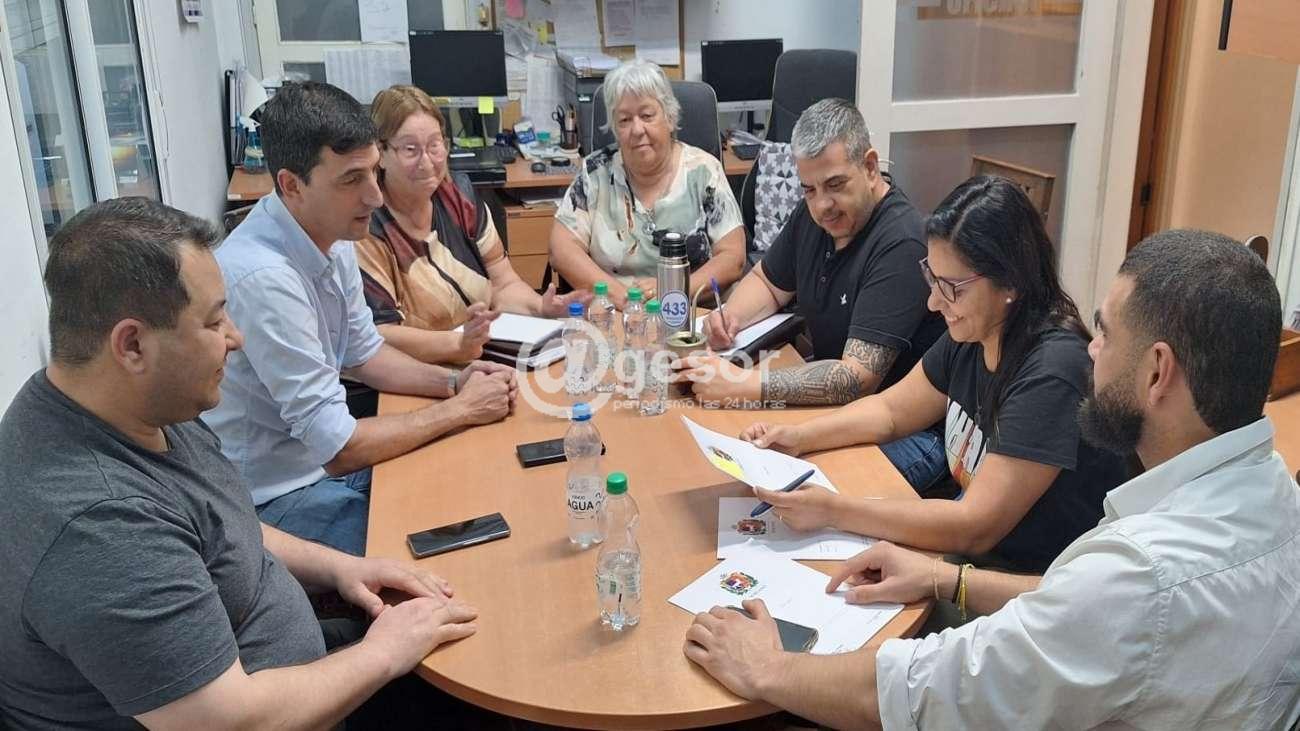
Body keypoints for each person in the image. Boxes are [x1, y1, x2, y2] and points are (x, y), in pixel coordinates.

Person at [684, 229, 1300, 730]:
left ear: (1157, 371)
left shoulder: (1140, 576)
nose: (1093, 351)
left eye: (1107, 333)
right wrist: (945, 578)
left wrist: (769, 668)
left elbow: (922, 693)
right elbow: (1073, 604)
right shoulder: (1278, 494)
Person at [0, 198, 479, 730]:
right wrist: (385, 653)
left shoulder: (130, 401)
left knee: (469, 641)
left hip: (286, 664)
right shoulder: (100, 526)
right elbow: (229, 722)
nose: (235, 337)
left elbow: (222, 523)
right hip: (260, 714)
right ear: (132, 345)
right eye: (213, 321)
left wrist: (342, 568)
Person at [738, 177, 1127, 573]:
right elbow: (891, 411)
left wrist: (833, 510)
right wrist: (799, 436)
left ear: (1010, 280)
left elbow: (975, 526)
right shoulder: (977, 330)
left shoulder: (1052, 372)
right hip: (974, 559)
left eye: (952, 287)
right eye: (932, 278)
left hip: (1025, 580)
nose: (933, 302)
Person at [206, 81, 517, 556]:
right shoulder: (264, 278)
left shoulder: (332, 234)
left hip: (320, 469)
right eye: (352, 179)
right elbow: (340, 447)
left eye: (374, 171)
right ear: (291, 185)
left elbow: (364, 352)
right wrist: (462, 409)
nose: (374, 196)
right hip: (275, 501)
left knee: (474, 477)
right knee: (449, 539)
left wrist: (455, 383)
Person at [675, 100, 944, 457]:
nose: (821, 206)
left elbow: (855, 379)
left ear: (870, 167)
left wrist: (741, 383)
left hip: (904, 429)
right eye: (809, 189)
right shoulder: (815, 215)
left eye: (835, 184)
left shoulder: (902, 241)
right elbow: (769, 282)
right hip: (839, 410)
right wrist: (732, 316)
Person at [358, 85, 590, 365]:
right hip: (414, 372)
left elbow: (503, 284)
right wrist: (457, 344)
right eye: (410, 149)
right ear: (380, 153)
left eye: (435, 145)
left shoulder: (459, 197)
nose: (427, 162)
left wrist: (541, 307)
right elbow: (380, 334)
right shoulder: (366, 226)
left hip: (480, 357)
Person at [549, 59, 745, 309]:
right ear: (614, 128)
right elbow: (561, 248)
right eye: (624, 120)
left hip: (693, 314)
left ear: (669, 118)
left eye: (646, 115)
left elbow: (733, 257)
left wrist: (672, 290)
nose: (637, 129)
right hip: (614, 314)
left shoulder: (704, 171)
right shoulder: (595, 172)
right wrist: (621, 297)